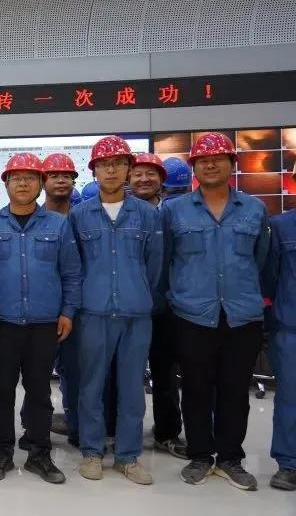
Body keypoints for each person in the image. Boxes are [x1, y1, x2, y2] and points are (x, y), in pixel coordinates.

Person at [164, 133, 268, 491]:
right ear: (194, 167)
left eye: (218, 159)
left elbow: (262, 260)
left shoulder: (254, 209)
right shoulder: (174, 210)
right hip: (192, 314)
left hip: (242, 315)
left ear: (231, 164)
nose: (210, 165)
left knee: (235, 390)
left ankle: (229, 458)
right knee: (195, 388)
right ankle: (199, 455)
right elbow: (164, 261)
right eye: (202, 160)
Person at [0, 153, 81, 485]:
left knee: (39, 392)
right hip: (1, 324)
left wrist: (67, 312)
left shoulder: (58, 225)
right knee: (1, 391)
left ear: (40, 184)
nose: (22, 183)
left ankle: (40, 454)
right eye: (16, 178)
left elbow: (71, 273)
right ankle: (1, 453)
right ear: (6, 184)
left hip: (44, 324)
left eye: (30, 178)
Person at [69, 136, 161, 486]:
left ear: (128, 169)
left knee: (132, 387)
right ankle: (92, 451)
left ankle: (128, 456)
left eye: (118, 164)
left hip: (136, 314)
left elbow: (155, 265)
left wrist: (139, 292)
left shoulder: (147, 214)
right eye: (104, 165)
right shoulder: (79, 216)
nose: (111, 170)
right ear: (93, 170)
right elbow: (73, 267)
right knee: (91, 385)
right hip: (92, 313)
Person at [129, 154, 188, 460]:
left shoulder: (175, 214)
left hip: (167, 307)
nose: (144, 179)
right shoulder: (120, 214)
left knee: (165, 374)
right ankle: (120, 432)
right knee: (124, 375)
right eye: (137, 173)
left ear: (162, 179)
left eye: (150, 173)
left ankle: (167, 432)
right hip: (128, 307)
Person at [38, 153, 80, 442]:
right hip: (41, 312)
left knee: (76, 371)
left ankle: (76, 424)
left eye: (67, 175)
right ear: (44, 182)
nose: (61, 180)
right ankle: (36, 431)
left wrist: (71, 308)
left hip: (77, 310)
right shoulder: (32, 217)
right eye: (54, 175)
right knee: (37, 376)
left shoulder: (83, 218)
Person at [265, 163, 296, 491]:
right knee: (290, 397)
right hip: (290, 326)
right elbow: (269, 278)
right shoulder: (281, 227)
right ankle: (289, 463)